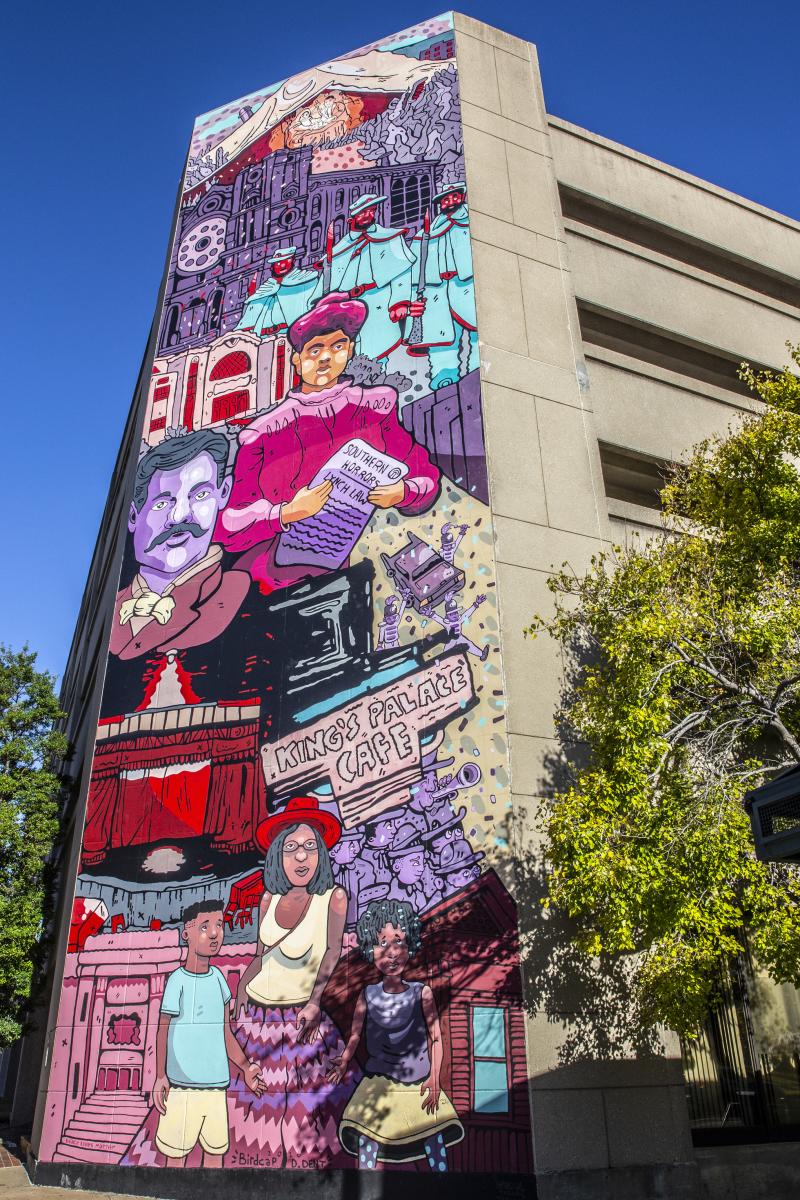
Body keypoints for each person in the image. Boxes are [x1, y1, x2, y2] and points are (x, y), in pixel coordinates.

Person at [217, 292, 441, 592]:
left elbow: (424, 475)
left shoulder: (375, 407)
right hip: (280, 578)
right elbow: (229, 525)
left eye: (337, 346)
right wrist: (283, 514)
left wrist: (405, 491)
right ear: (297, 360)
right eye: (315, 349)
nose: (325, 357)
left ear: (349, 351)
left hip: (364, 562)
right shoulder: (264, 433)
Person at [226, 796, 357, 1168]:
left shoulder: (333, 898)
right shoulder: (268, 899)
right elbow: (259, 956)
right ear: (278, 857)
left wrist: (316, 1002)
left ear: (321, 855)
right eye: (292, 848)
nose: (301, 857)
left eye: (310, 847)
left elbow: (333, 952)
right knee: (252, 1110)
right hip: (256, 1022)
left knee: (310, 1110)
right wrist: (239, 989)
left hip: (302, 1018)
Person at [122, 901, 263, 1168]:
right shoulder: (177, 980)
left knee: (214, 1158)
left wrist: (245, 1067)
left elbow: (225, 1033)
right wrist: (160, 1077)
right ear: (186, 933)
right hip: (181, 1090)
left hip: (215, 1090)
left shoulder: (219, 980)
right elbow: (162, 1031)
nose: (214, 934)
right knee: (175, 1160)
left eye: (219, 925)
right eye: (205, 926)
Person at [328, 899, 463, 1170]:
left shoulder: (421, 993)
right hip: (379, 1083)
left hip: (419, 1085)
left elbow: (436, 1038)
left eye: (399, 941)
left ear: (410, 944)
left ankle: (444, 1191)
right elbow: (355, 1036)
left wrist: (434, 1079)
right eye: (383, 942)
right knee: (368, 1140)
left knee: (432, 1141)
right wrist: (343, 1061)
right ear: (370, 949)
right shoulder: (367, 995)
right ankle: (366, 1189)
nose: (392, 952)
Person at [111, 428, 248, 661]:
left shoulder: (238, 592)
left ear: (223, 493)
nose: (179, 516)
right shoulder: (112, 609)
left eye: (200, 495)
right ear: (133, 517)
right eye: (162, 503)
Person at [314, 194, 419, 361]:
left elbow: (402, 273)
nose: (368, 215)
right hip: (345, 306)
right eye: (363, 212)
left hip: (377, 301)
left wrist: (399, 302)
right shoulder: (343, 245)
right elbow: (329, 276)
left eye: (371, 211)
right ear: (352, 218)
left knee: (376, 350)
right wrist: (318, 301)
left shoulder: (388, 237)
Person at [409, 182, 477, 391]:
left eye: (453, 197)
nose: (450, 202)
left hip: (465, 286)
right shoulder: (427, 234)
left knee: (475, 335)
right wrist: (413, 297)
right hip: (436, 293)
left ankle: (475, 378)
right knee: (441, 342)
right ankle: (443, 381)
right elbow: (414, 269)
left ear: (461, 197)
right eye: (445, 200)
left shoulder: (470, 222)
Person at [237, 247, 319, 338]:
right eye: (278, 262)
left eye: (286, 260)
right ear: (272, 266)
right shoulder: (266, 289)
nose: (282, 265)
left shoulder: (306, 281)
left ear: (293, 260)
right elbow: (248, 319)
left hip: (294, 336)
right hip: (263, 339)